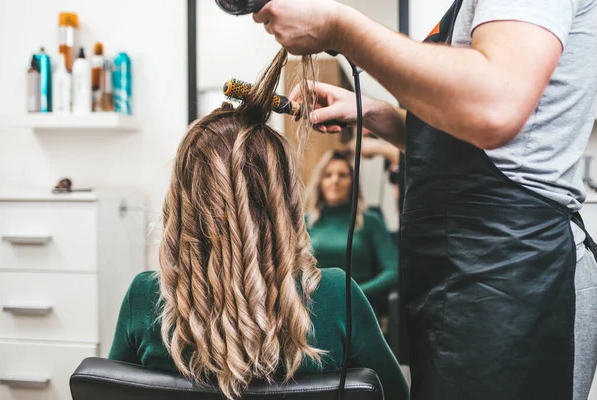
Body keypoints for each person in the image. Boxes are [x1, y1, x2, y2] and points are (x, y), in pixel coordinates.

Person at [252, 1, 597, 399]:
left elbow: (495, 106)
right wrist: (375, 115)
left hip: (521, 274)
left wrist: (340, 27)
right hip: (460, 271)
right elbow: (461, 137)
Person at [107, 49, 409, 400]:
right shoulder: (336, 296)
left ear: (183, 199)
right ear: (284, 199)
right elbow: (395, 397)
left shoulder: (144, 298)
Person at [304, 148, 398, 306]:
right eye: (328, 175)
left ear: (353, 182)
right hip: (313, 304)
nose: (335, 180)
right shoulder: (304, 222)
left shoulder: (370, 221)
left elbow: (394, 271)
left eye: (342, 175)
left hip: (357, 304)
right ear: (320, 182)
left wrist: (356, 292)